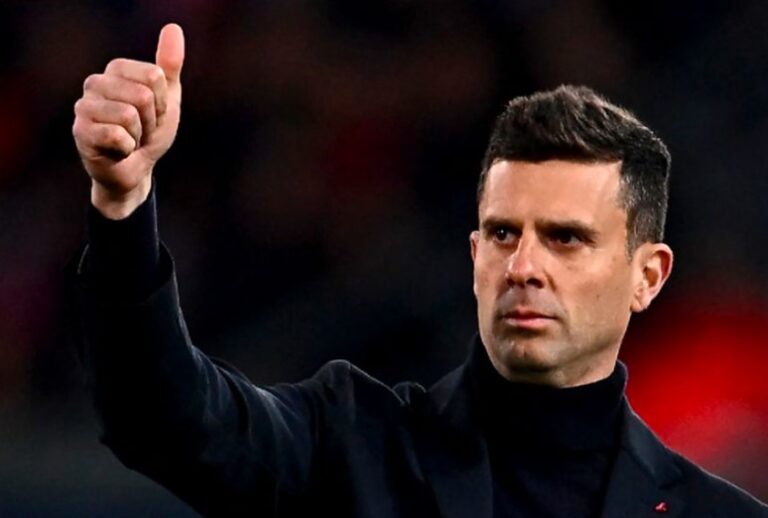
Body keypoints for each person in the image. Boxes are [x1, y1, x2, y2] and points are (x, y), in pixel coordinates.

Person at [71, 23, 768, 517]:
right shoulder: (354, 447)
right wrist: (123, 206)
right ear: (474, 256)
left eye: (565, 239)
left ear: (648, 276)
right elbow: (162, 419)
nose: (524, 266)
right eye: (503, 234)